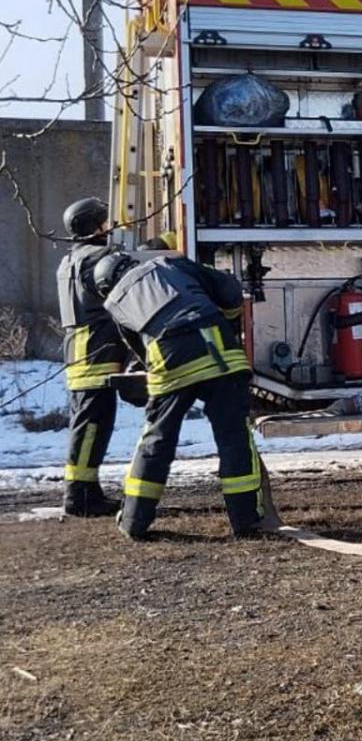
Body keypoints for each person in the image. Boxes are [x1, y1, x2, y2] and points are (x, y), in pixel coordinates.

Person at [91, 249, 265, 540]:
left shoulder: (115, 302)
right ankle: (246, 521)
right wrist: (229, 319)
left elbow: (139, 349)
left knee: (156, 440)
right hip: (216, 349)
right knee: (233, 437)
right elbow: (229, 290)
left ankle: (134, 521)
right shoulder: (167, 264)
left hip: (167, 360)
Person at [55, 198, 126, 517]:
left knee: (87, 423)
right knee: (92, 425)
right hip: (95, 349)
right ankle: (79, 496)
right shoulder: (97, 257)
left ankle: (86, 490)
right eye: (105, 222)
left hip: (79, 348)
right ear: (94, 226)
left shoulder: (70, 260)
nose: (110, 227)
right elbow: (126, 262)